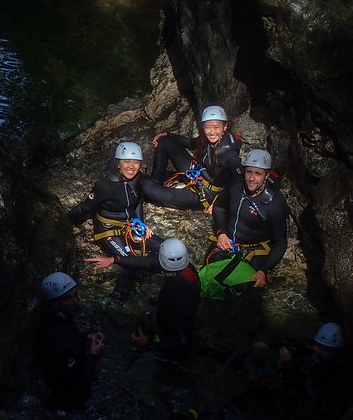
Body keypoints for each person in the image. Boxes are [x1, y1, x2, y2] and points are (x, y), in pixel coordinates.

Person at [67, 141, 164, 295]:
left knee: (165, 248)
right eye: (126, 161)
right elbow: (85, 207)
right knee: (134, 266)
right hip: (107, 231)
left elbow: (138, 200)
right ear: (118, 163)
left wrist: (140, 224)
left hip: (130, 225)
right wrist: (67, 221)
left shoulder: (139, 179)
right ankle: (119, 299)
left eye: (136, 162)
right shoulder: (105, 186)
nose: (131, 167)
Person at [85, 238, 200, 360]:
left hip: (173, 341)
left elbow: (181, 341)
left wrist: (148, 343)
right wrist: (115, 259)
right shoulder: (187, 269)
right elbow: (150, 263)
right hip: (172, 322)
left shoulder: (177, 293)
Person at [209, 149, 289, 288]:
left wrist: (264, 270)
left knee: (244, 287)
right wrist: (221, 233)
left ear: (266, 175)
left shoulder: (275, 203)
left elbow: (280, 242)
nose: (251, 179)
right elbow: (219, 207)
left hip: (255, 252)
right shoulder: (235, 184)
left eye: (257, 173)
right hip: (227, 242)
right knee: (209, 277)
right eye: (249, 172)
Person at [147, 105, 243, 212]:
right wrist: (168, 135)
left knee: (148, 189)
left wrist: (221, 203)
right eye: (207, 127)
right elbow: (191, 143)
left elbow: (240, 178)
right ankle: (156, 181)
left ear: (224, 127)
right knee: (164, 141)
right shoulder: (208, 139)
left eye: (216, 127)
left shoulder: (228, 153)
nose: (211, 132)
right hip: (197, 174)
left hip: (205, 194)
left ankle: (149, 187)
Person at [36, 271, 104, 408]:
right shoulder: (58, 335)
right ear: (54, 303)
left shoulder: (52, 318)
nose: (76, 302)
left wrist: (85, 337)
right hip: (70, 402)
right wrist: (93, 355)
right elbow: (77, 384)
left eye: (76, 295)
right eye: (67, 299)